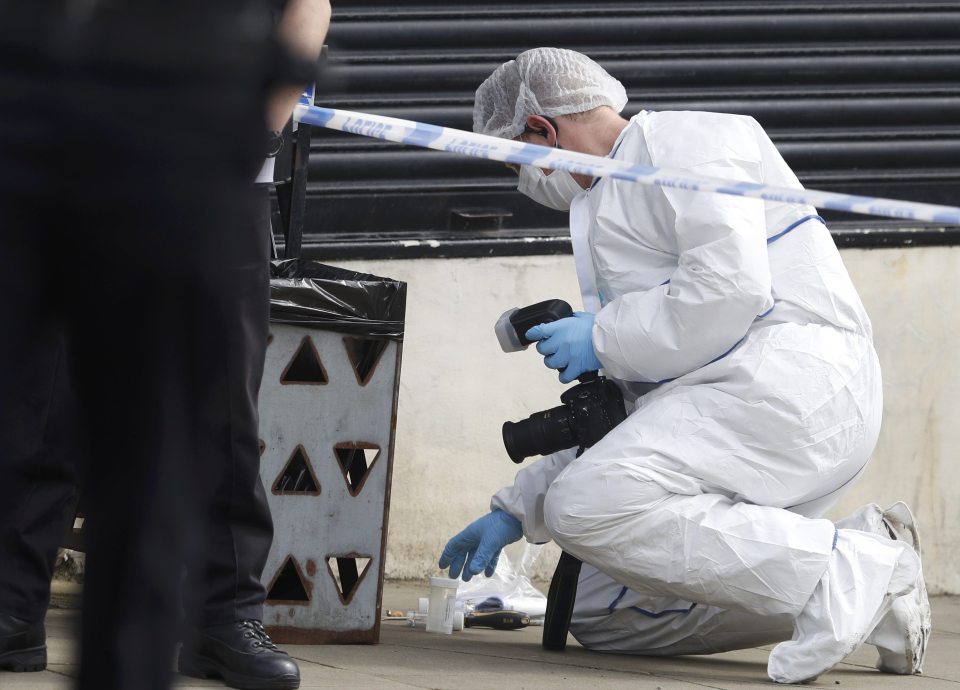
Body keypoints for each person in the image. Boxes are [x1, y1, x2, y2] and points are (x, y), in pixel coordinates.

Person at [439, 47, 931, 684]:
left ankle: (853, 569)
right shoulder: (603, 206)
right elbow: (638, 414)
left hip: (790, 385)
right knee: (607, 612)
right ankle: (879, 596)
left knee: (586, 507)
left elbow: (730, 289)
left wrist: (605, 336)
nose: (525, 182)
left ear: (542, 131)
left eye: (519, 161)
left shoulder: (689, 138)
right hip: (724, 403)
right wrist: (516, 509)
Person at [0, 2, 330, 689]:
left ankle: (222, 618)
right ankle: (12, 604)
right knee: (40, 393)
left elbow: (303, 8)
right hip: (58, 163)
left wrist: (252, 139)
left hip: (208, 175)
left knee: (213, 410)